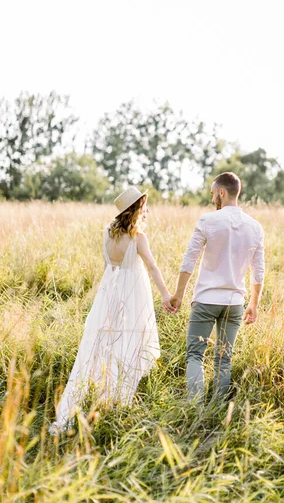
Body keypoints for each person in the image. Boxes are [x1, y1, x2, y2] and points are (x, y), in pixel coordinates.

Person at [49, 186, 175, 434]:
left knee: (103, 344)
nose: (147, 210)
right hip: (132, 294)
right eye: (144, 206)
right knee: (128, 343)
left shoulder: (107, 233)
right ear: (136, 209)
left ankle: (100, 398)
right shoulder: (138, 237)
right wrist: (165, 295)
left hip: (109, 294)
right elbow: (152, 267)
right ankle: (118, 402)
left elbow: (107, 265)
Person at [170, 172, 265, 402]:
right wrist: (253, 304)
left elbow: (189, 261)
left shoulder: (207, 221)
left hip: (206, 301)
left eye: (214, 194)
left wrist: (178, 295)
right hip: (234, 304)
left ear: (222, 192)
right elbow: (258, 271)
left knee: (195, 355)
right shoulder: (255, 227)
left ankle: (195, 409)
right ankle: (218, 409)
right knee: (224, 359)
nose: (213, 199)